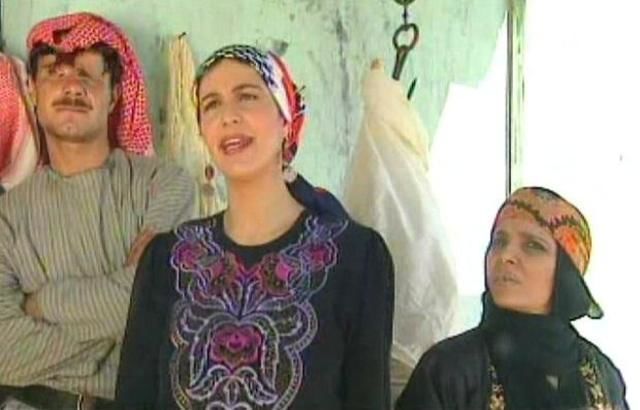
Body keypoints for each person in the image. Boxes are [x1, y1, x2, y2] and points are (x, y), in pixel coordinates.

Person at [116, 44, 394, 410]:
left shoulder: (356, 257)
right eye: (211, 104)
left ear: (285, 119)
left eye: (247, 96)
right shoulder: (168, 259)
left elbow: (368, 398)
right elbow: (134, 399)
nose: (228, 116)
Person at [0, 12, 195, 410]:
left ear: (115, 96)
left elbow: (159, 304)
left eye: (87, 75)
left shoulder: (164, 185)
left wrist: (42, 304)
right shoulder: (6, 216)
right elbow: (4, 352)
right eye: (54, 72)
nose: (71, 85)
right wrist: (121, 317)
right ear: (32, 92)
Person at [396, 187, 628, 410]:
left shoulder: (601, 375)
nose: (505, 255)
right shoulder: (449, 370)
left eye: (533, 246)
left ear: (566, 274)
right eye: (499, 241)